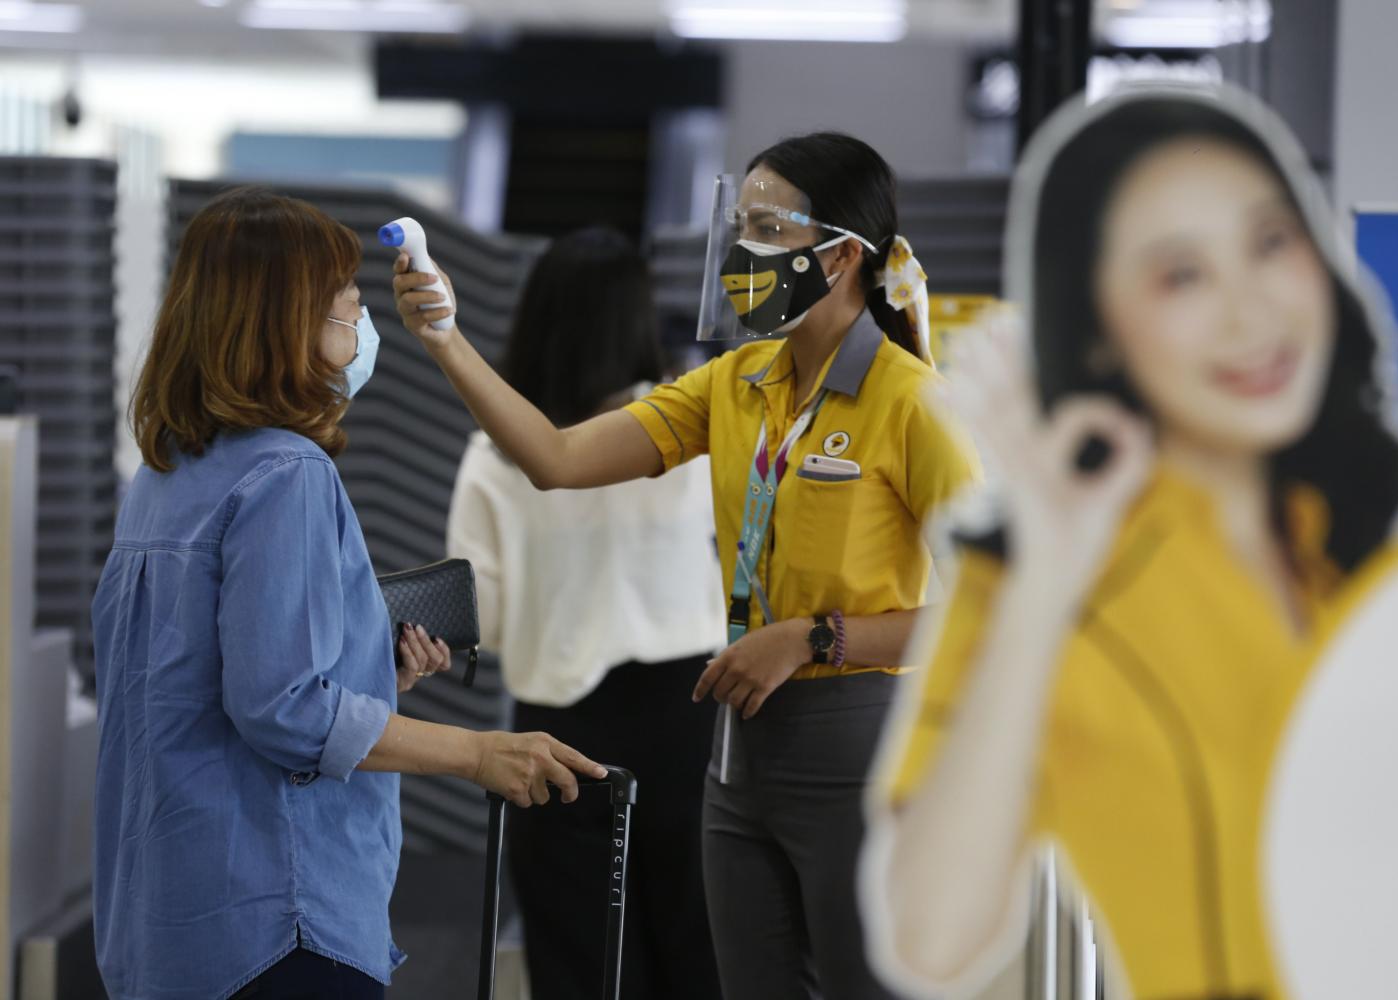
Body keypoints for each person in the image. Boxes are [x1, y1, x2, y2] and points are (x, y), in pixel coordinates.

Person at [862, 86, 1398, 1000]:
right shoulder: (1044, 580)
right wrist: (1047, 583)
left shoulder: (1376, 539)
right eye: (1182, 276)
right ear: (1098, 336)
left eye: (1270, 242)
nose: (1251, 315)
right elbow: (931, 933)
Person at [394, 133, 976, 999]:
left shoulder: (914, 403)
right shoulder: (734, 384)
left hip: (856, 741)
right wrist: (444, 340)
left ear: (844, 254)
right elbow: (553, 459)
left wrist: (817, 640)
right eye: (739, 227)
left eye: (769, 229)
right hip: (735, 755)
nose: (745, 252)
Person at [91, 186, 605, 1000]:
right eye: (347, 302)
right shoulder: (288, 474)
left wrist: (373, 672)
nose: (359, 322)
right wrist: (477, 752)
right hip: (276, 919)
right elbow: (283, 707)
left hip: (172, 914)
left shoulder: (165, 477)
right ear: (287, 321)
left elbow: (194, 682)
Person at [446, 226, 725, 999]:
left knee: (577, 962)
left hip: (559, 732)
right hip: (689, 716)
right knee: (699, 952)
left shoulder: (497, 451)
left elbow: (485, 618)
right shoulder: (687, 428)